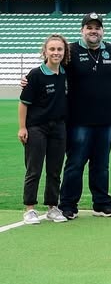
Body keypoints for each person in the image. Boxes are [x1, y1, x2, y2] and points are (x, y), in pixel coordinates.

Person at [58, 12, 111, 219]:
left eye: (97, 27)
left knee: (101, 164)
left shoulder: (110, 50)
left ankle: (101, 204)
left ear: (102, 30)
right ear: (82, 30)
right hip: (78, 119)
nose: (93, 31)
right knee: (75, 163)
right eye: (89, 27)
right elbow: (53, 71)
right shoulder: (71, 51)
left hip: (105, 118)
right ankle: (67, 205)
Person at [19, 34, 69, 225]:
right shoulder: (35, 75)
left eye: (59, 49)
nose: (56, 53)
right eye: (52, 49)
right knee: (34, 169)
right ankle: (29, 209)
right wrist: (23, 127)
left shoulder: (65, 73)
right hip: (37, 128)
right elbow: (23, 103)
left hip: (58, 127)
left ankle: (52, 207)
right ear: (45, 51)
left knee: (55, 169)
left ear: (64, 52)